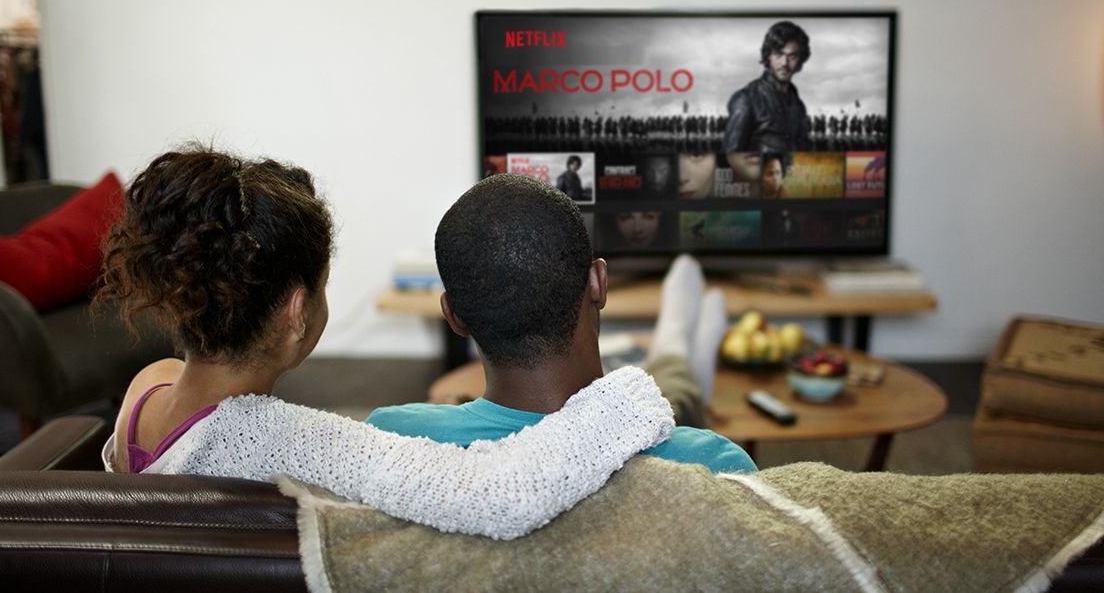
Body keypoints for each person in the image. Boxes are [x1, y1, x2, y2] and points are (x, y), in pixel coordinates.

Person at [95, 145, 677, 540]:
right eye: (322, 288)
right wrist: (631, 395)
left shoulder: (147, 390)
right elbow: (504, 494)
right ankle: (678, 359)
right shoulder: (283, 440)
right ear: (297, 311)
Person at [367, 174, 756, 474]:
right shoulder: (712, 463)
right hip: (638, 427)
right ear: (597, 284)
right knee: (670, 397)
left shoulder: (387, 440)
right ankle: (675, 349)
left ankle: (678, 352)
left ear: (453, 315)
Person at [723, 20, 812, 154]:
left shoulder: (798, 106)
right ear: (768, 56)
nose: (784, 63)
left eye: (792, 56)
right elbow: (729, 161)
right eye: (778, 54)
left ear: (800, 59)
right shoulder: (746, 100)